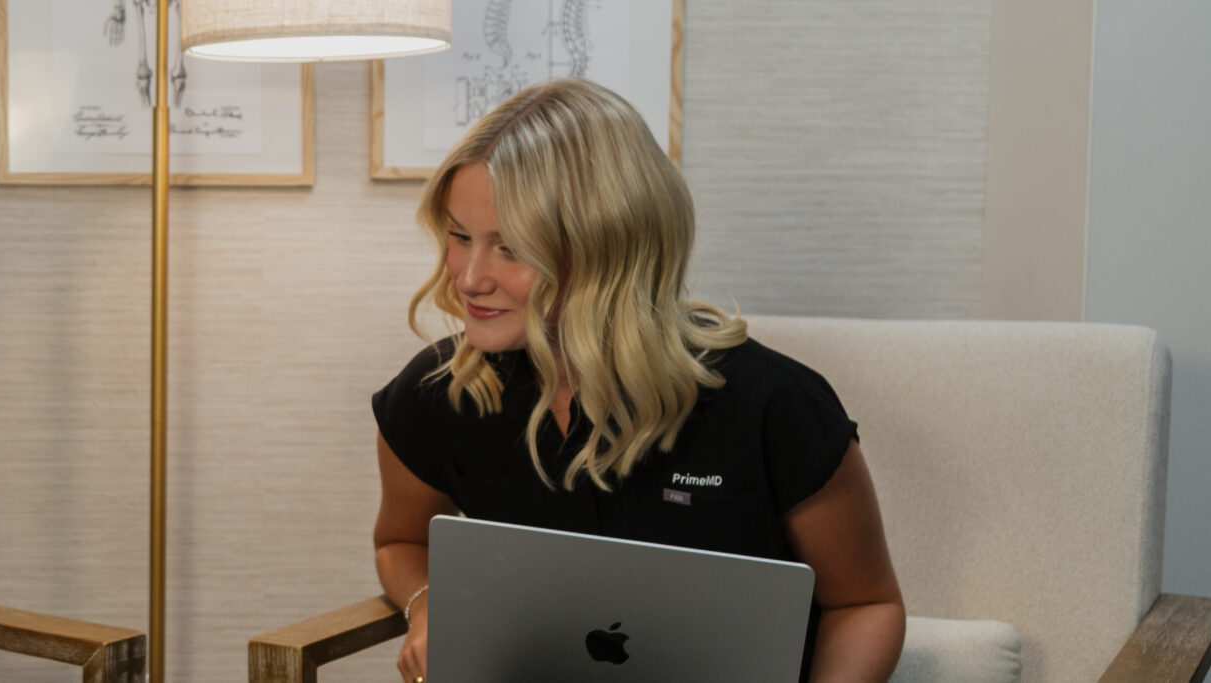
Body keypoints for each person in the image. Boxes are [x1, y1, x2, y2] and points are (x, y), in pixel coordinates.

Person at [371, 79, 905, 683]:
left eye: (510, 248)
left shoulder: (775, 406)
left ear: (609, 250)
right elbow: (400, 542)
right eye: (459, 236)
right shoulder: (441, 393)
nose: (468, 279)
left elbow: (865, 605)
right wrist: (426, 606)